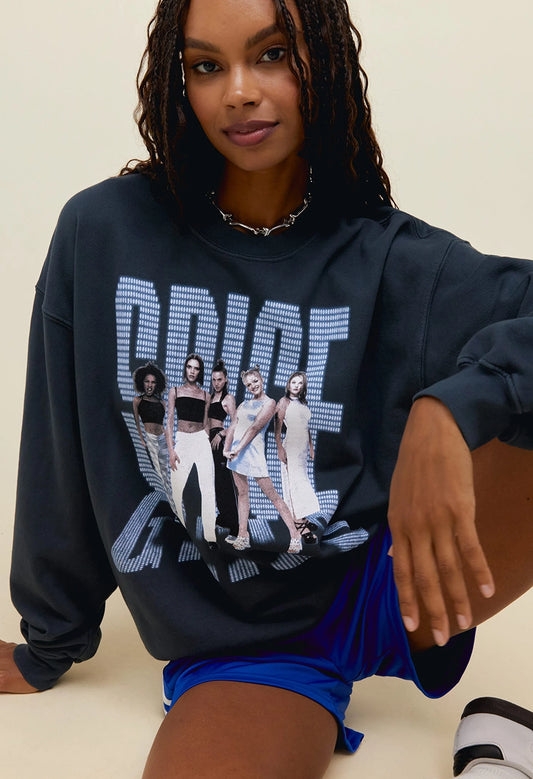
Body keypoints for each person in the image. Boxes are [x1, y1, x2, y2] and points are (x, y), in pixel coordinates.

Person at [1, 0, 533, 777]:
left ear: (325, 60)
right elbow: (60, 444)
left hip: (401, 574)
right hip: (252, 646)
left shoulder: (391, 257)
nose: (239, 92)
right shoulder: (104, 231)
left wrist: (449, 408)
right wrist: (49, 637)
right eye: (205, 66)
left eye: (272, 54)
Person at [223, 366, 302, 552]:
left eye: (255, 381)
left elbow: (255, 427)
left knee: (272, 495)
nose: (253, 386)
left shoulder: (270, 403)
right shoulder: (243, 405)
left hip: (252, 454)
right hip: (236, 455)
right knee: (242, 494)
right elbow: (233, 427)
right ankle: (243, 535)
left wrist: (237, 449)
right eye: (249, 384)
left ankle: (295, 535)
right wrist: (227, 449)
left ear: (261, 379)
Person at [166, 353, 217, 545]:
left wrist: (205, 440)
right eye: (189, 367)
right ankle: (180, 531)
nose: (192, 371)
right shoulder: (175, 391)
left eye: (196, 368)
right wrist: (171, 450)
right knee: (176, 487)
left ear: (200, 371)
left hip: (200, 440)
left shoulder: (205, 395)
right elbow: (169, 421)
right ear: (185, 368)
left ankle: (210, 536)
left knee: (208, 488)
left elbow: (206, 423)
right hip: (182, 440)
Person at [275, 371, 321, 544]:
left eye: (300, 383)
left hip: (302, 449)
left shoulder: (302, 403)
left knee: (302, 481)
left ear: (303, 386)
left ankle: (301, 516)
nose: (296, 385)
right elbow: (277, 425)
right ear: (289, 384)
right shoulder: (284, 402)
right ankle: (299, 523)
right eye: (293, 382)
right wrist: (279, 448)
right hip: (291, 447)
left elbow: (306, 426)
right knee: (295, 482)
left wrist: (311, 446)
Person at [132, 362, 174, 508]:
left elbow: (163, 425)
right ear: (142, 383)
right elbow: (137, 423)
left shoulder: (162, 402)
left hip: (162, 439)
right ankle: (160, 504)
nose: (150, 385)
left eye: (153, 382)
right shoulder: (138, 401)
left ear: (157, 385)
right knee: (156, 473)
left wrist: (169, 441)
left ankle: (171, 506)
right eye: (147, 381)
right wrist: (142, 440)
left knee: (165, 473)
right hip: (149, 439)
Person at [207, 358, 239, 534]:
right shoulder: (211, 397)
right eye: (214, 380)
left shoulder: (228, 398)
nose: (216, 383)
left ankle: (234, 523)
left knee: (224, 480)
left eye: (219, 379)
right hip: (208, 439)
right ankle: (224, 515)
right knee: (214, 481)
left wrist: (221, 434)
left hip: (220, 439)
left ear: (225, 379)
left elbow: (236, 422)